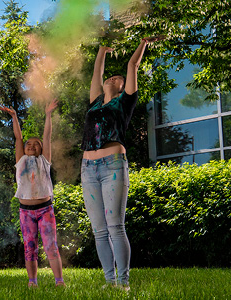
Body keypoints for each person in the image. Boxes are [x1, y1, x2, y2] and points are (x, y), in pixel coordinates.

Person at [82, 36, 161, 290]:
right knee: (99, 230)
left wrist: (144, 44)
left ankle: (124, 282)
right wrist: (102, 51)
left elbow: (132, 66)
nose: (113, 78)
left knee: (115, 225)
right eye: (111, 77)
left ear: (123, 87)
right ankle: (109, 281)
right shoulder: (95, 101)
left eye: (119, 79)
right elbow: (97, 72)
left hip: (113, 166)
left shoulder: (124, 102)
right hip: (88, 169)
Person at [1, 101, 64, 287]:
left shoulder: (44, 161)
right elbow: (18, 139)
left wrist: (48, 115)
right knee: (30, 247)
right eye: (29, 143)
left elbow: (47, 136)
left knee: (51, 246)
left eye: (36, 144)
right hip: (26, 211)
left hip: (45, 210)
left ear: (42, 149)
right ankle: (32, 281)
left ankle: (59, 281)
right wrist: (14, 117)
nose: (31, 145)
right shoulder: (21, 161)